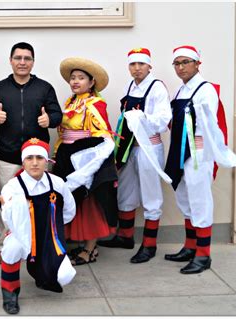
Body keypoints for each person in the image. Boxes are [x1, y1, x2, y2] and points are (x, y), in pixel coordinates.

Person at [164, 45, 236, 274]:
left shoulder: (205, 90)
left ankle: (203, 255)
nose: (180, 67)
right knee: (185, 198)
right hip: (179, 152)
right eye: (176, 63)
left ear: (198, 64)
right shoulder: (181, 90)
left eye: (185, 62)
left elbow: (209, 126)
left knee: (200, 201)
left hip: (198, 154)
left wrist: (204, 152)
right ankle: (189, 247)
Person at [0, 42, 63, 264]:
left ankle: (40, 245)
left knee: (40, 201)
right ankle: (3, 246)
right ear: (10, 60)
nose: (22, 62)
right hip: (7, 156)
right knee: (7, 203)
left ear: (33, 62)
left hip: (37, 156)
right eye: (18, 58)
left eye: (27, 58)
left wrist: (50, 120)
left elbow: (58, 115)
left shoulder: (44, 88)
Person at [97, 48, 173, 264]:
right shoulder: (130, 86)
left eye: (141, 64)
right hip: (128, 148)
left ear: (150, 66)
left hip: (149, 147)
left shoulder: (157, 88)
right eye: (133, 64)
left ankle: (149, 245)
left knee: (151, 196)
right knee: (125, 191)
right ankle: (125, 236)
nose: (137, 68)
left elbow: (164, 120)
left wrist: (142, 118)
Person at [53, 57, 118, 265]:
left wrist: (87, 163)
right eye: (73, 78)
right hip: (68, 156)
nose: (75, 82)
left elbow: (101, 135)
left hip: (85, 160)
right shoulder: (70, 103)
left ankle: (90, 249)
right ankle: (85, 246)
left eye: (81, 78)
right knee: (74, 201)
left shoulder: (95, 104)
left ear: (91, 83)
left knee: (89, 202)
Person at [0, 138, 76, 314]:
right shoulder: (13, 187)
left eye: (40, 158)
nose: (34, 163)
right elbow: (8, 216)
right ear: (23, 161)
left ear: (47, 161)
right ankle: (10, 292)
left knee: (65, 275)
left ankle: (44, 276)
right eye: (29, 158)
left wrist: (53, 230)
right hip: (23, 234)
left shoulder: (57, 183)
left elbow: (69, 211)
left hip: (50, 235)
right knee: (11, 248)